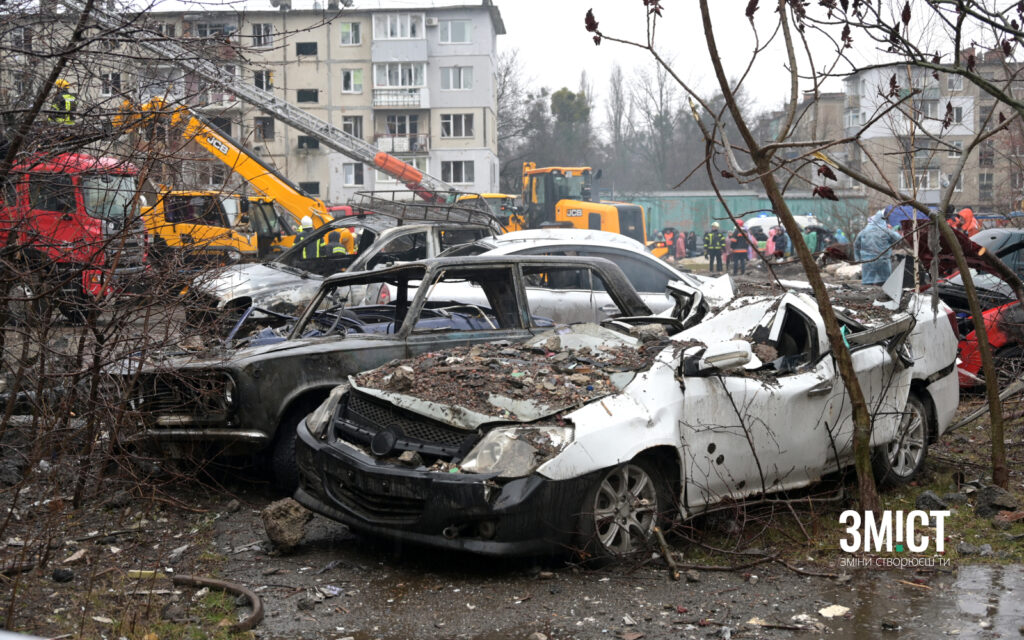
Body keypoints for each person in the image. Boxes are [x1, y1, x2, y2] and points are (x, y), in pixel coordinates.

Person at [854, 211, 903, 285]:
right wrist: (893, 230)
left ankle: (867, 293)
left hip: (867, 261)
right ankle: (882, 294)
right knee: (884, 281)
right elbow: (899, 239)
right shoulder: (885, 231)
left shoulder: (863, 231)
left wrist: (858, 258)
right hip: (882, 260)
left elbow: (856, 245)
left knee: (867, 282)